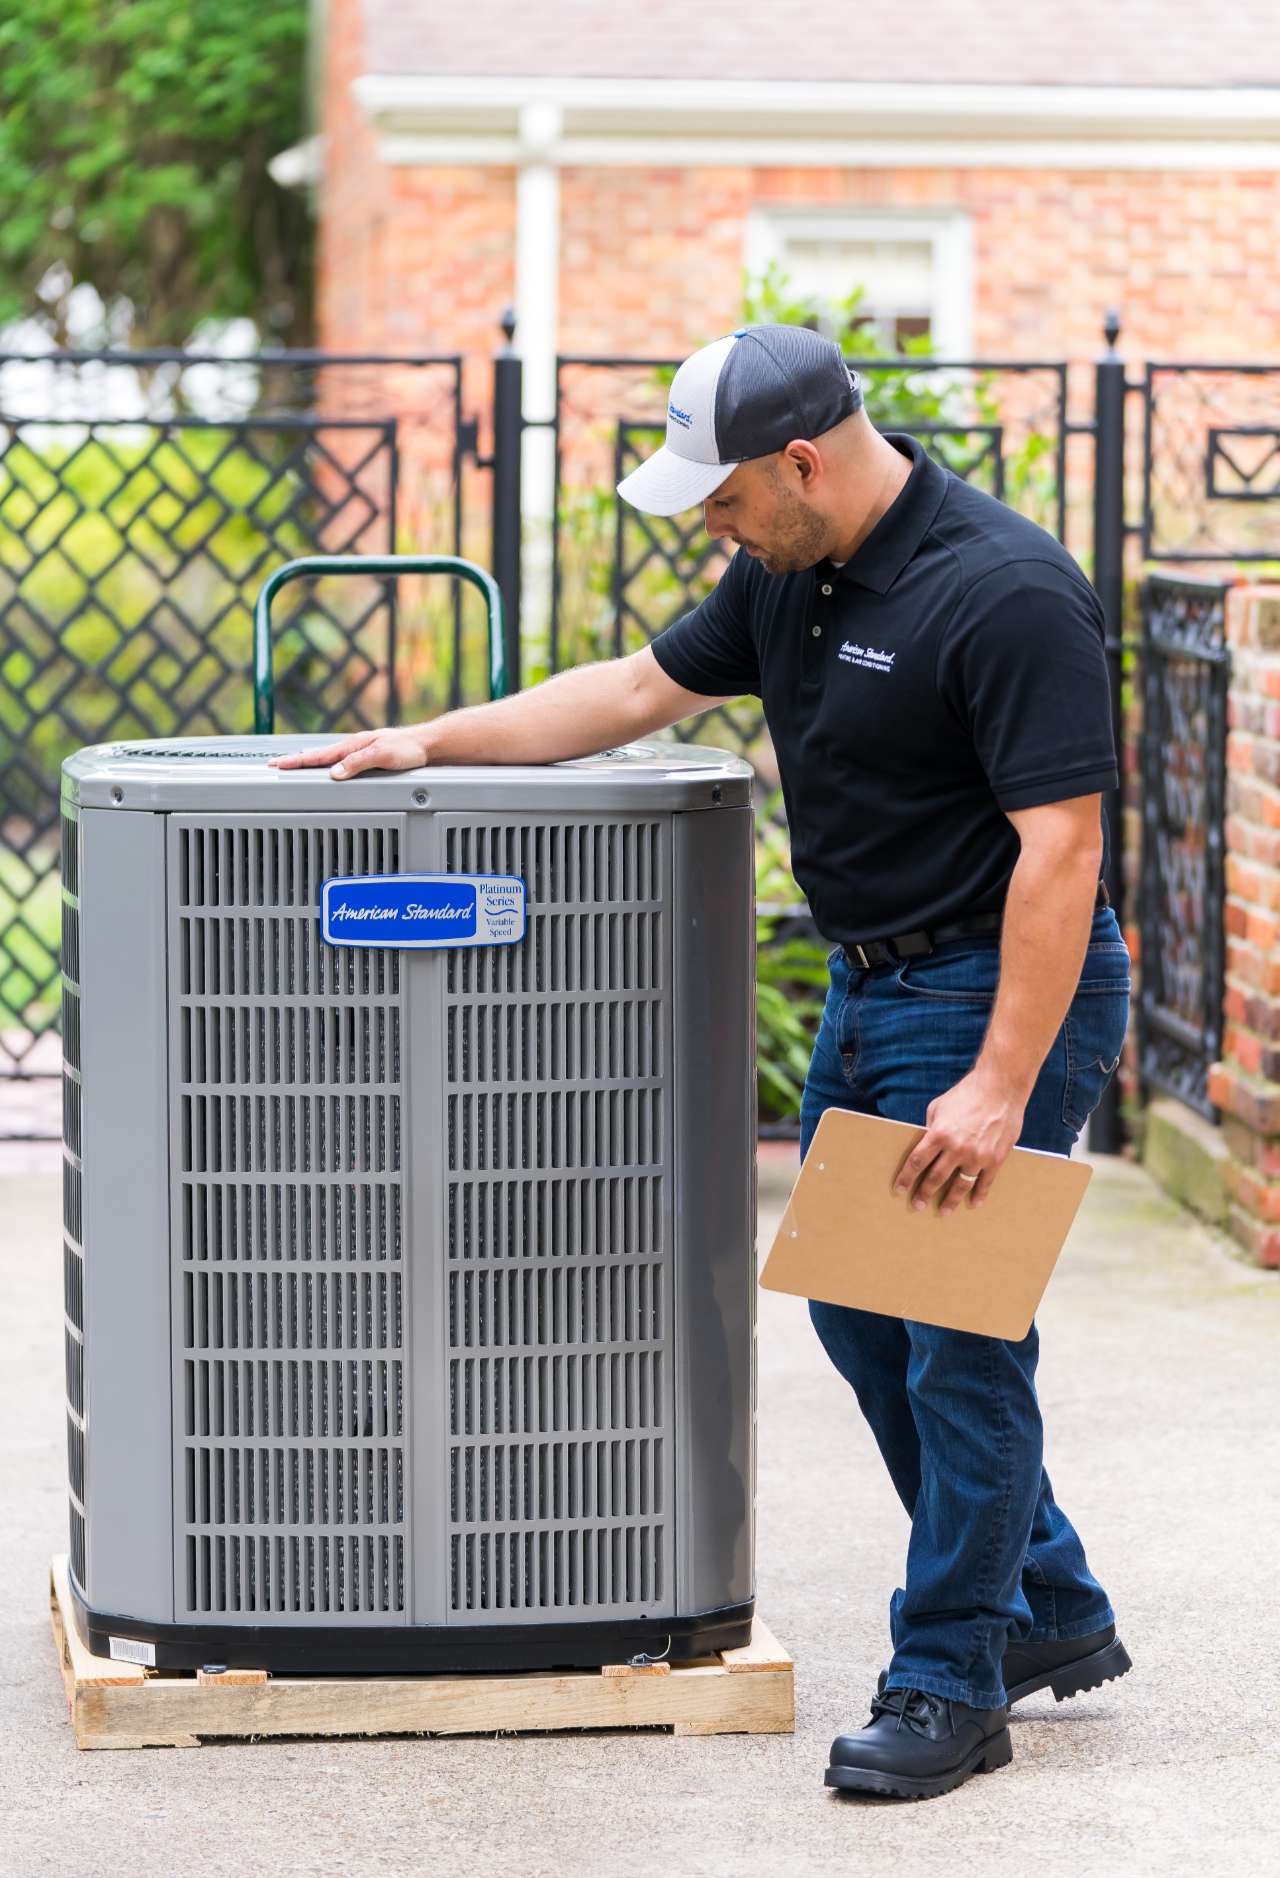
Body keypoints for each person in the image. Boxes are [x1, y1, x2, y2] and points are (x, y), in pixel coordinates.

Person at [273, 323, 1132, 1801]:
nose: (714, 526)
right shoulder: (791, 574)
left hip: (996, 994)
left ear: (801, 460)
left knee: (959, 1342)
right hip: (877, 992)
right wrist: (428, 740)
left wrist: (997, 1082)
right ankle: (1045, 1599)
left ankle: (951, 1675)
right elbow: (628, 692)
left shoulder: (1003, 590)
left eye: (724, 497)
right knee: (868, 1329)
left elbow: (1064, 849)